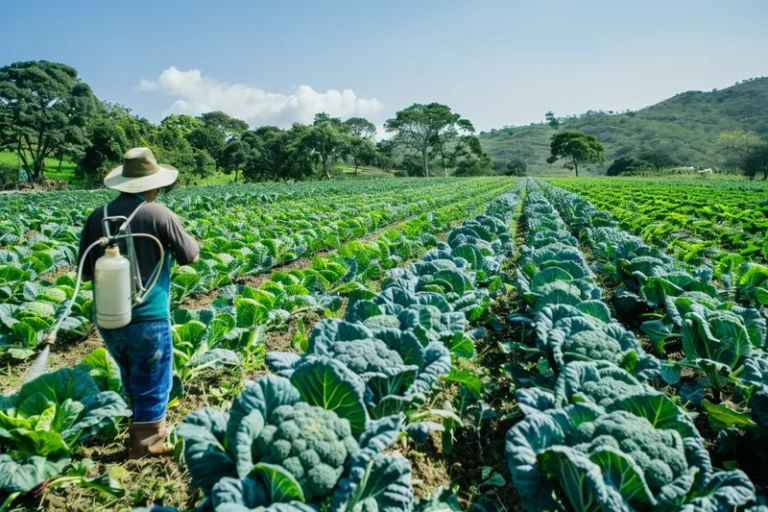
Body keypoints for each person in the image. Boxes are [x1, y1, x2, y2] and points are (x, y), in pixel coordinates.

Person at [78, 147, 199, 459]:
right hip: (148, 317)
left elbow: (88, 272)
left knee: (130, 373)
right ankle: (147, 443)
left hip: (108, 319)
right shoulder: (158, 213)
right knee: (153, 378)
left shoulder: (97, 216)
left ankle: (138, 423)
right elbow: (191, 256)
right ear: (153, 185)